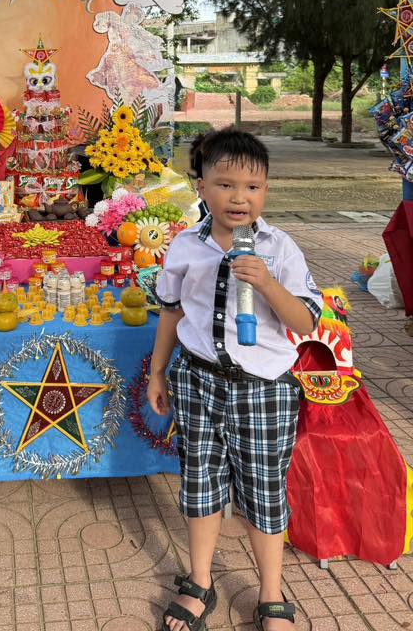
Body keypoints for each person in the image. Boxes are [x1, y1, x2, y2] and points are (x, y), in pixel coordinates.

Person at [147, 127, 322, 631]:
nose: (239, 198)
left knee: (263, 492)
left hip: (263, 389)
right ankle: (200, 582)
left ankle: (271, 594)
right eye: (225, 185)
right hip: (197, 382)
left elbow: (305, 322)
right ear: (201, 186)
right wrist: (158, 372)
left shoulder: (280, 248)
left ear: (265, 191)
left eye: (253, 187)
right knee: (200, 484)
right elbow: (172, 312)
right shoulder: (185, 246)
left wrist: (267, 283)